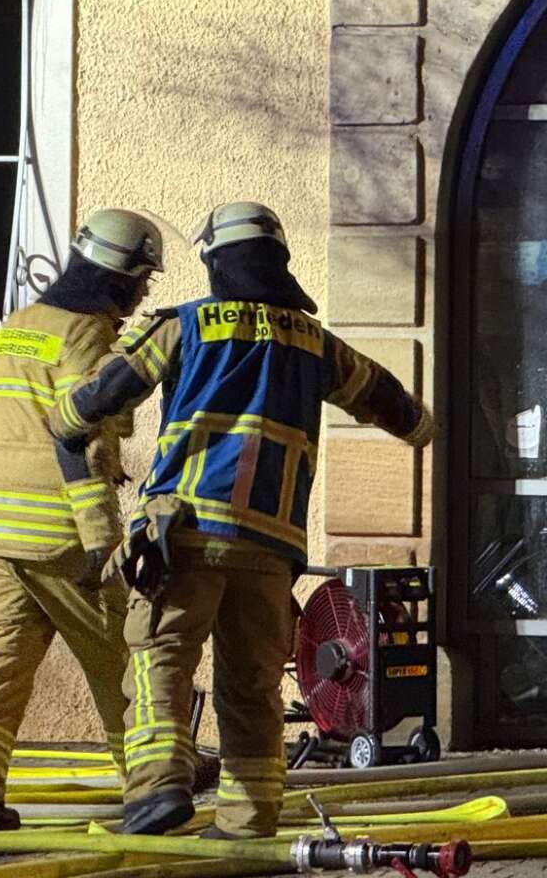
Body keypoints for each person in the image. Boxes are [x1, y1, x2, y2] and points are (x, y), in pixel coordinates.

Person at [54, 201, 433, 838]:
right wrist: (426, 427)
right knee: (253, 686)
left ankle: (156, 791)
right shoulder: (314, 342)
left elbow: (97, 397)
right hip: (268, 545)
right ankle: (248, 819)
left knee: (160, 659)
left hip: (185, 536)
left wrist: (66, 424)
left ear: (214, 263)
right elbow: (388, 399)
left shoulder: (184, 327)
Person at [0, 208, 165, 833]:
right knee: (123, 659)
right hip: (60, 535)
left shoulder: (18, 326)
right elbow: (82, 437)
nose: (145, 292)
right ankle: (151, 783)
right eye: (143, 278)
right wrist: (102, 541)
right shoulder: (84, 332)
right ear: (121, 275)